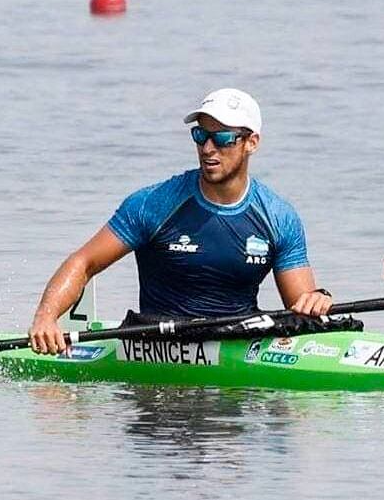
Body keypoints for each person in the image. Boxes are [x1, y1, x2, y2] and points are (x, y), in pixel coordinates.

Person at [29, 88, 333, 355]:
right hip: (158, 348)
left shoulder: (279, 218)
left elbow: (301, 307)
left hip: (238, 346)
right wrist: (46, 317)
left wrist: (315, 301)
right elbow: (83, 263)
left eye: (222, 138)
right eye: (200, 135)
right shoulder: (154, 204)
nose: (208, 148)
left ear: (251, 142)